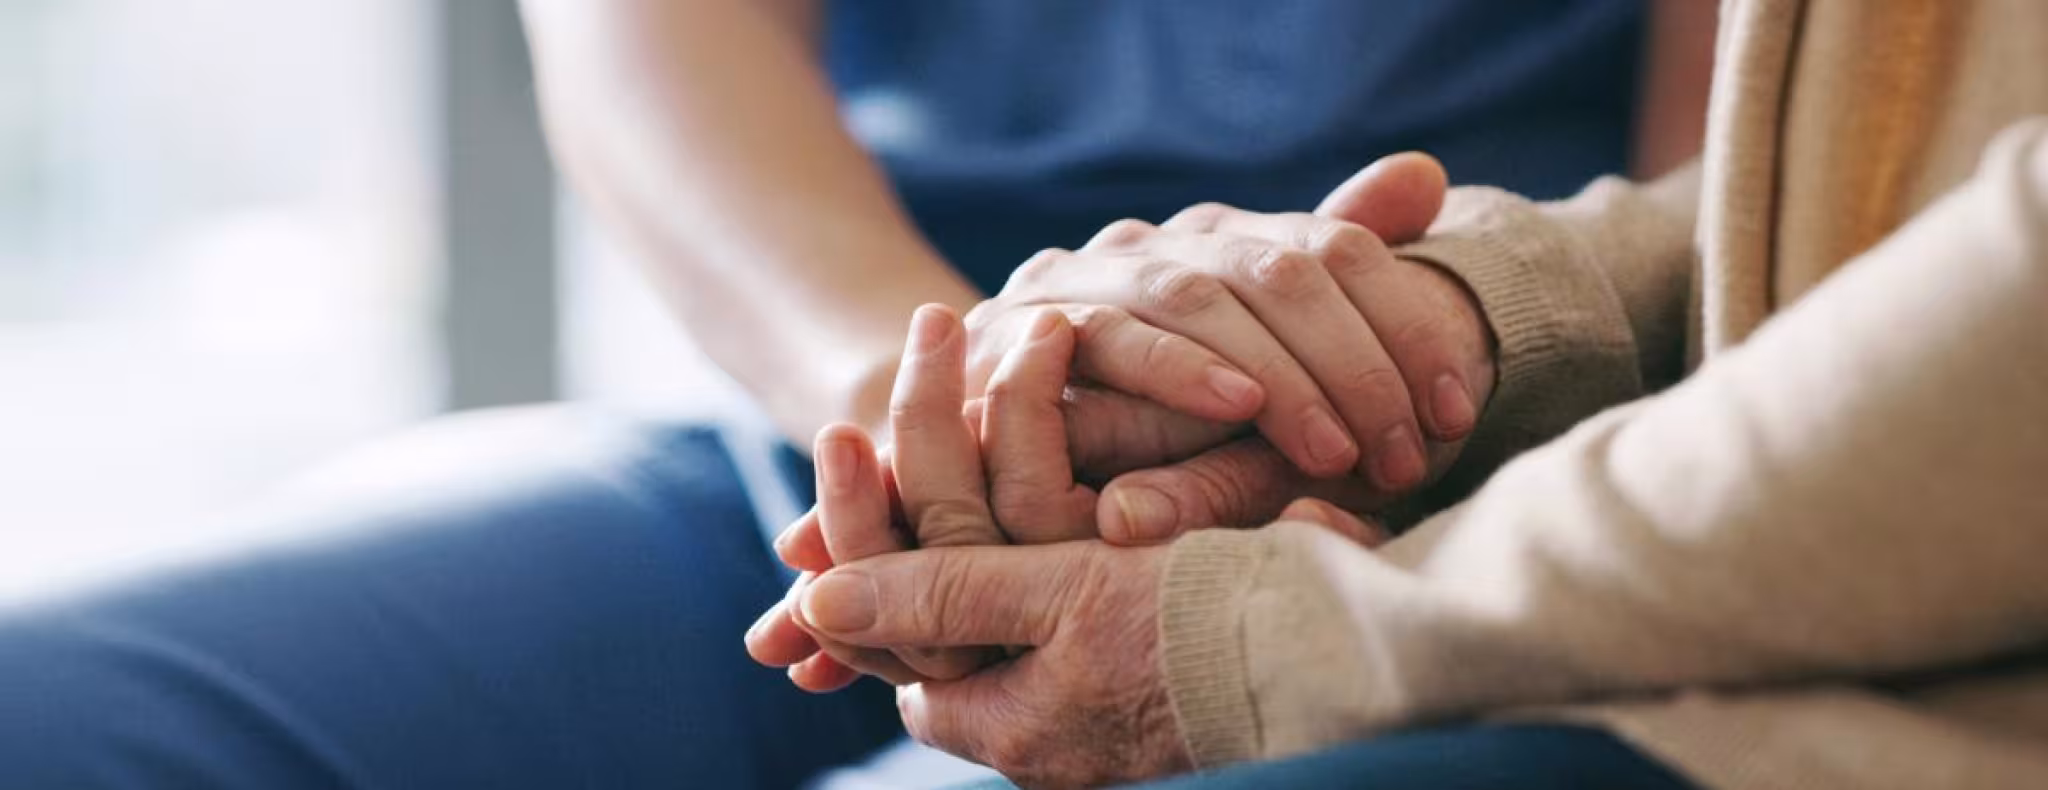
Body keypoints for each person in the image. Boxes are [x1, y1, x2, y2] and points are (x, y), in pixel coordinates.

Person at [0, 2, 1712, 789]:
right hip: (826, 426)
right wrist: (928, 408)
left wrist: (1404, 443)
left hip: (1449, 486)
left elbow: (1744, 196)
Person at [772, 0, 2048, 788]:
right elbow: (1860, 178)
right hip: (1041, 387)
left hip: (1919, 679)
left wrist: (1273, 633)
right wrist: (1466, 317)